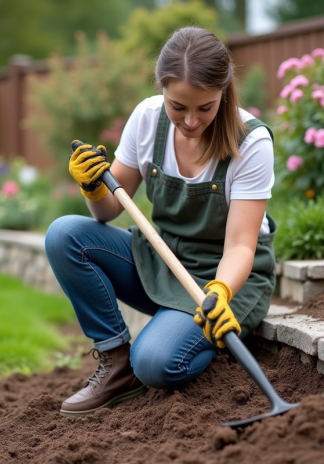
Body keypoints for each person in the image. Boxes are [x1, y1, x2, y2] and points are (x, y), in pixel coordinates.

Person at [45, 26, 276, 417]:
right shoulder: (148, 119)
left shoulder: (250, 143)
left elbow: (240, 246)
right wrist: (91, 187)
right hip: (162, 256)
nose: (189, 121)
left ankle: (187, 340)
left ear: (224, 91)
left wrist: (220, 291)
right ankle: (117, 364)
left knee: (154, 363)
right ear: (162, 90)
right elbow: (108, 213)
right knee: (65, 235)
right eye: (177, 106)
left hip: (223, 277)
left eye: (205, 107)